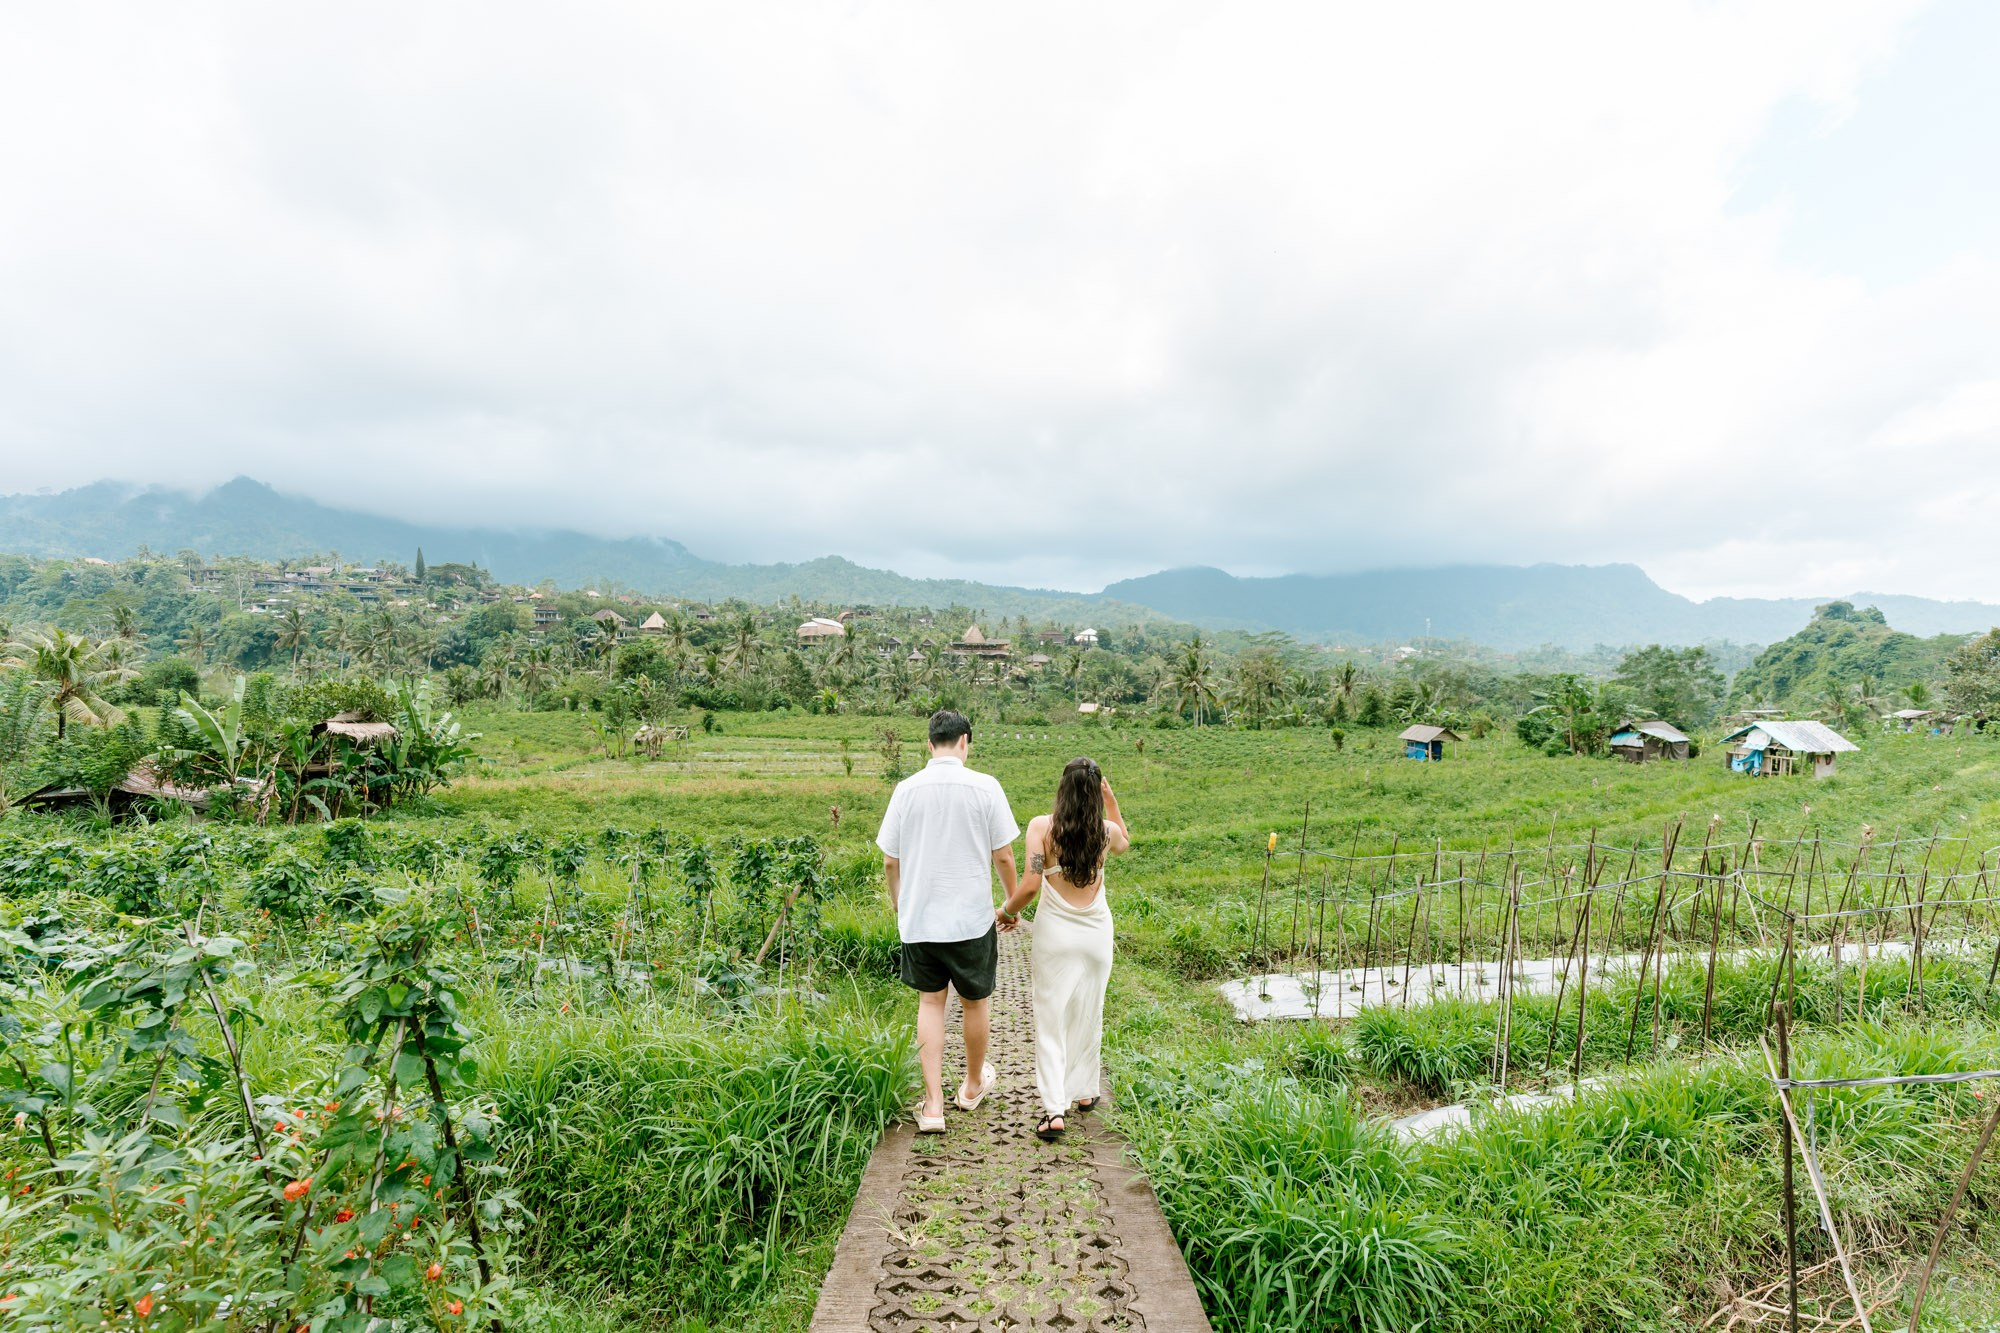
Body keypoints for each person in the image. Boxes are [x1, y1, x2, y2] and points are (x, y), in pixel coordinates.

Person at [876, 709, 1021, 1133]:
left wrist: (902, 905)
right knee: (974, 1002)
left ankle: (934, 1105)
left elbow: (890, 860)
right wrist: (1012, 904)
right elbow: (1004, 855)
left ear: (929, 744)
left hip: (920, 919)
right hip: (971, 920)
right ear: (965, 742)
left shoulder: (906, 790)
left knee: (930, 1003)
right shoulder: (985, 787)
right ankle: (973, 1086)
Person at [997, 757, 1128, 1140]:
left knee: (1050, 1020)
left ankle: (1055, 1110)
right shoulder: (1105, 832)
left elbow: (1031, 885)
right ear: (1096, 794)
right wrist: (1112, 802)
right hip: (1097, 936)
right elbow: (1125, 841)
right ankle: (1087, 1092)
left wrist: (1005, 912)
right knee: (1089, 1012)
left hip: (1056, 937)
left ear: (1063, 789)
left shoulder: (1042, 828)